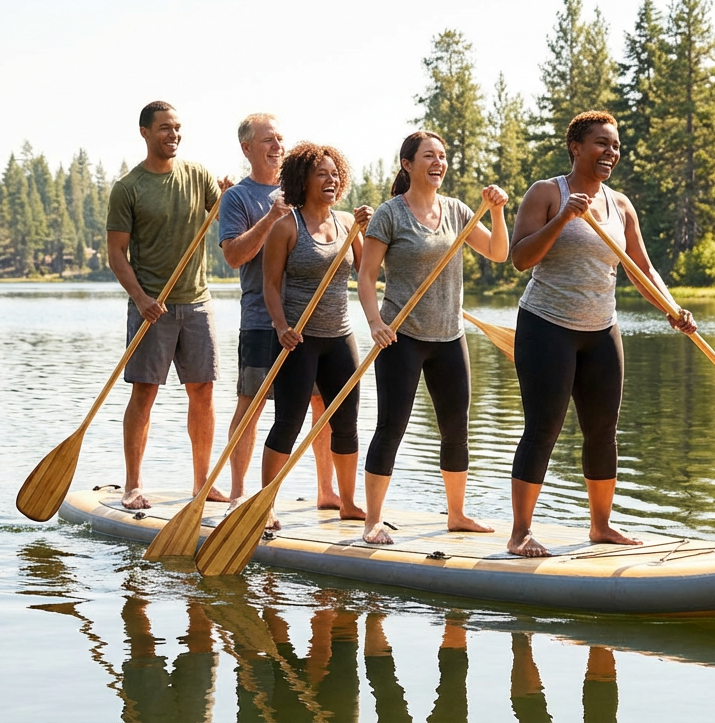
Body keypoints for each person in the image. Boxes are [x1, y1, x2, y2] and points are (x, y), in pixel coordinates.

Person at [505, 110, 698, 557]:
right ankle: (520, 533)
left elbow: (641, 268)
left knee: (603, 430)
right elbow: (519, 258)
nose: (609, 152)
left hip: (601, 330)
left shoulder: (621, 205)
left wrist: (672, 308)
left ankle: (601, 526)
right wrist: (563, 219)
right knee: (543, 428)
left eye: (615, 146)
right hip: (546, 326)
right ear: (576, 147)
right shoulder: (546, 193)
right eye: (600, 143)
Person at [356, 131, 509, 545]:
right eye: (429, 156)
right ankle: (373, 520)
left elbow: (498, 252)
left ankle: (456, 514)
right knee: (391, 427)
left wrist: (495, 211)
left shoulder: (459, 211)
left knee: (456, 430)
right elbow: (366, 278)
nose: (438, 162)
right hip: (400, 337)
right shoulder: (389, 214)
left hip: (448, 337)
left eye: (443, 156)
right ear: (408, 164)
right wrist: (374, 322)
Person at [105, 101, 230, 511]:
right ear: (144, 132)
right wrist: (141, 299)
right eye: (164, 128)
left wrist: (226, 196)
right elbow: (117, 254)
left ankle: (202, 483)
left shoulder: (198, 176)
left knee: (203, 391)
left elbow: (222, 215)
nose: (173, 135)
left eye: (177, 128)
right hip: (151, 308)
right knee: (145, 392)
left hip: (196, 303)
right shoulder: (129, 188)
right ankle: (133, 485)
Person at [217, 114, 339, 510]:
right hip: (261, 319)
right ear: (247, 148)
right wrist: (271, 217)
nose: (276, 145)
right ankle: (239, 493)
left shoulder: (305, 194)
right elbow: (234, 256)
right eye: (267, 139)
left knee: (320, 403)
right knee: (250, 402)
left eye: (280, 138)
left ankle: (326, 491)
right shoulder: (238, 198)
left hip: (312, 324)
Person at [259, 142, 369, 528]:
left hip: (339, 337)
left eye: (334, 173)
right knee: (288, 422)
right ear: (302, 180)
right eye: (321, 173)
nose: (331, 179)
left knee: (347, 424)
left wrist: (368, 231)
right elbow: (270, 286)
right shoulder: (285, 227)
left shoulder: (345, 224)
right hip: (298, 339)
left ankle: (349, 502)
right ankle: (265, 504)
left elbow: (367, 270)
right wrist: (281, 327)